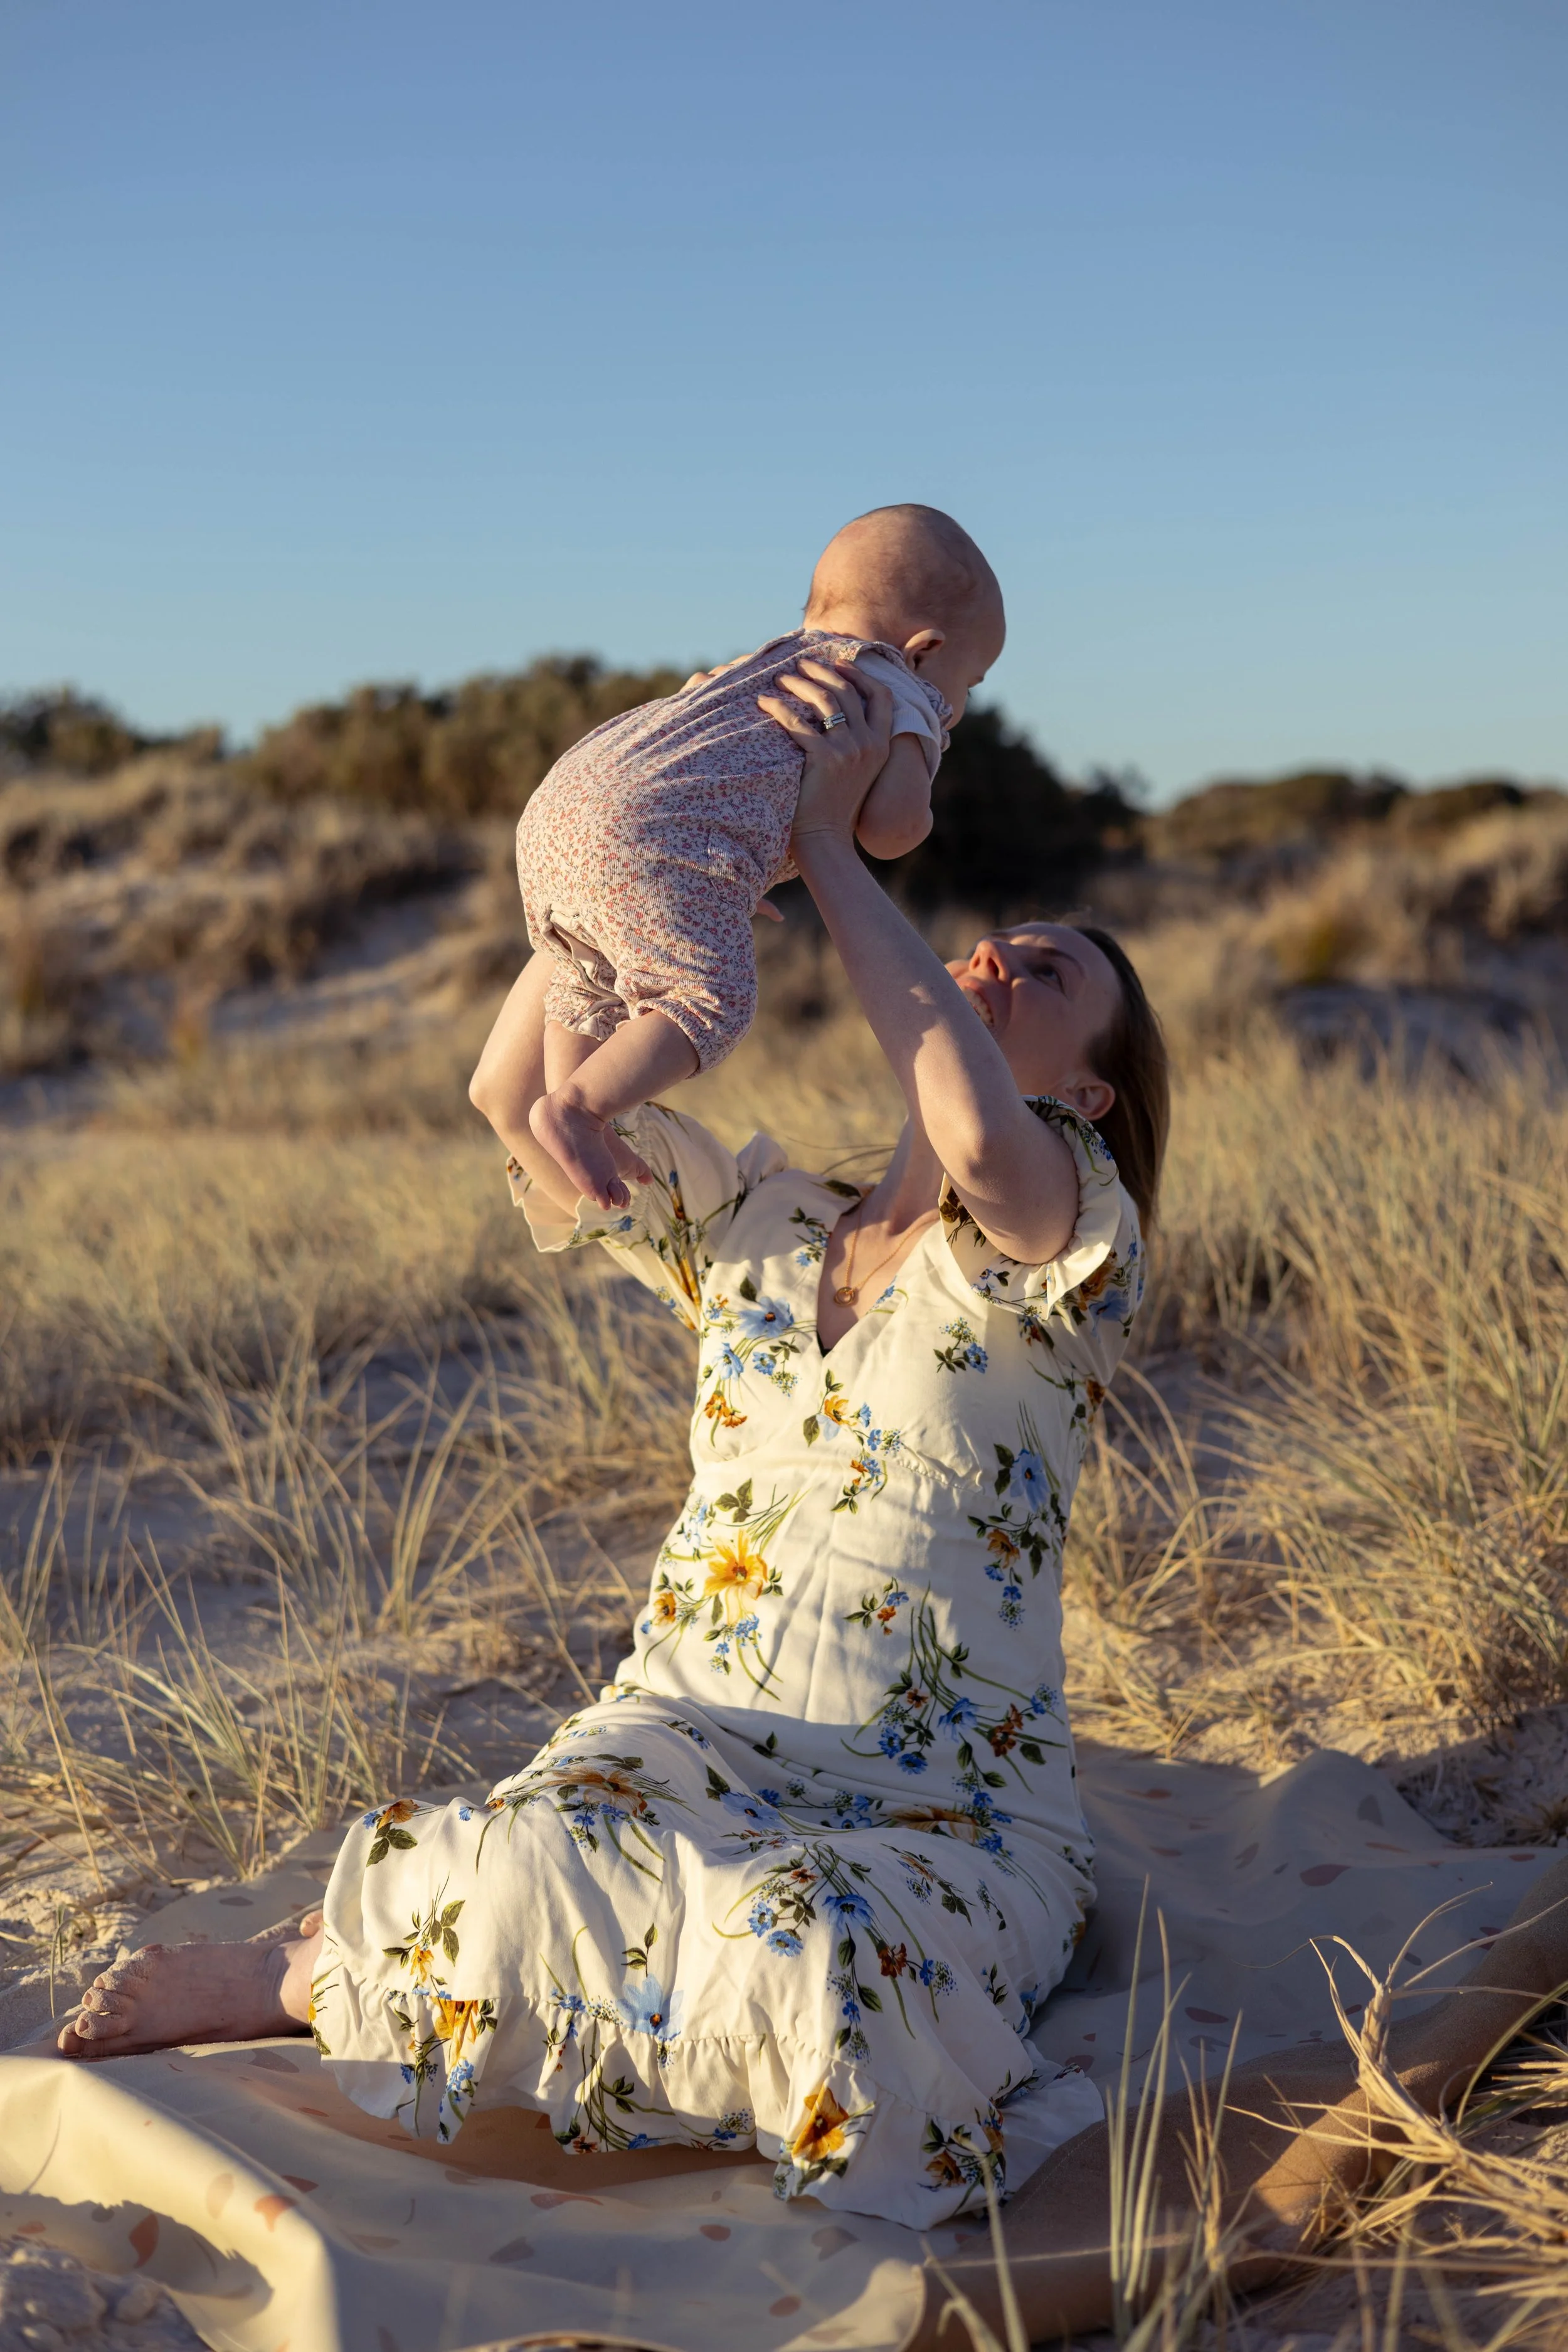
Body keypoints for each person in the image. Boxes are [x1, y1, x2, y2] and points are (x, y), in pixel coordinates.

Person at [31, 663, 1568, 2346]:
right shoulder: (756, 1210)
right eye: (986, 942)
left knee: (811, 1959)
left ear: (1101, 1085)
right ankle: (310, 1969)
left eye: (1039, 968)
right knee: (533, 1850)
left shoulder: (1062, 1238)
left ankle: (430, 1978)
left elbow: (977, 1132)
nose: (988, 960)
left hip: (936, 1807)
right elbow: (508, 1097)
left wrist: (841, 852)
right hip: (682, 1727)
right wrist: (657, 863)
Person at [518, 502, 1005, 1211]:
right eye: (973, 681)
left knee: (585, 974)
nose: (960, 702)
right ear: (926, 648)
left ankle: (580, 1107)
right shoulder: (898, 685)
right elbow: (891, 829)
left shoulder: (766, 661)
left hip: (564, 799)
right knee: (709, 1001)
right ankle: (578, 1110)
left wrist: (717, 868)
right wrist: (925, 751)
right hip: (647, 834)